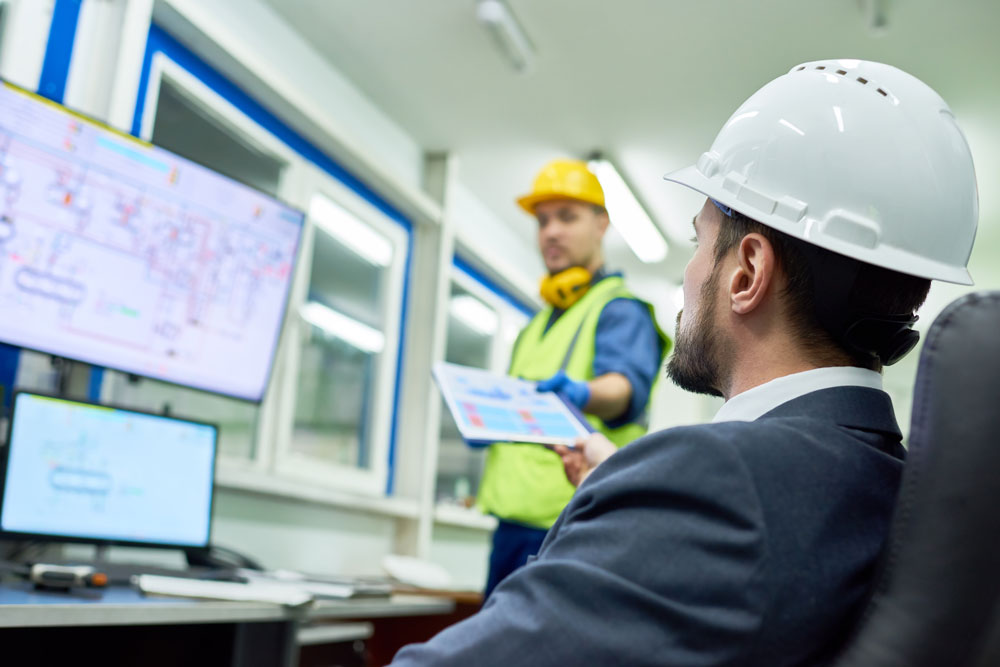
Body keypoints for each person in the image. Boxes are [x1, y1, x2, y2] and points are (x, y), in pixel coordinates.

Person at [392, 59, 978, 666]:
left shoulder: (715, 484)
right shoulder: (899, 488)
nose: (689, 272)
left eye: (698, 242)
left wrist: (656, 496)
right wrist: (633, 507)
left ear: (746, 273)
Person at [475, 158, 670, 597]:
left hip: (568, 525)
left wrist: (582, 392)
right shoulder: (535, 325)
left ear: (601, 224)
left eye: (567, 217)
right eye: (543, 221)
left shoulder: (619, 309)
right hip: (510, 525)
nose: (551, 232)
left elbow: (624, 389)